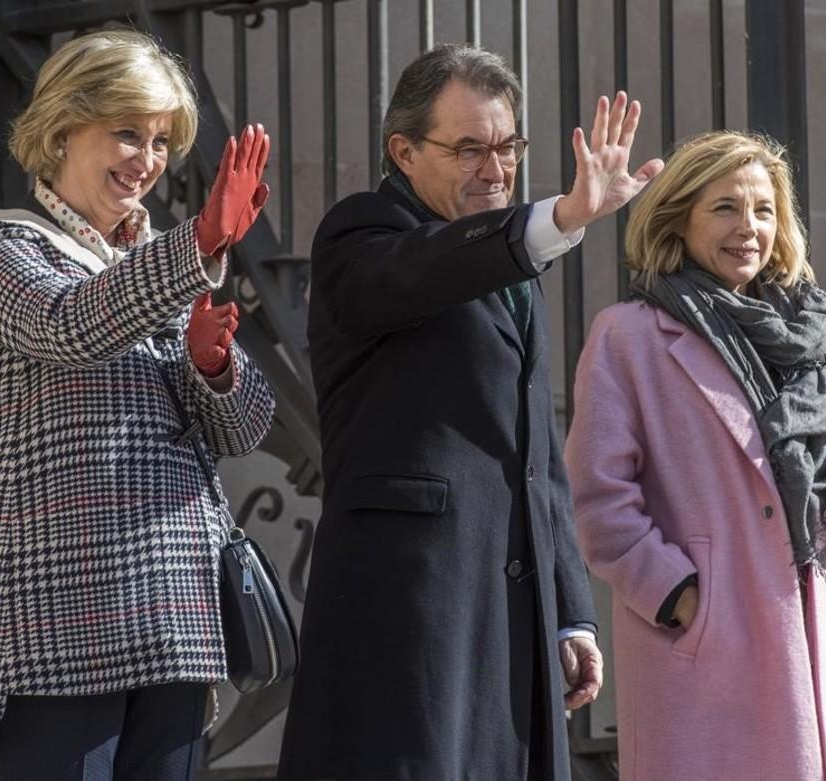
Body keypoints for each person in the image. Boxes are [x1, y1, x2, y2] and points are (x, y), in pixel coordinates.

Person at [277, 43, 663, 780]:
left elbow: (534, 449)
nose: (496, 169)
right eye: (469, 149)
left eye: (508, 145)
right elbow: (427, 266)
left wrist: (570, 605)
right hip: (409, 610)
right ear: (404, 151)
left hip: (507, 609)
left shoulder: (507, 264)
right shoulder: (362, 235)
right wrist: (560, 219)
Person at [0, 29, 276, 779]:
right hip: (53, 621)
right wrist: (200, 245)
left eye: (159, 140)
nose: (147, 159)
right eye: (126, 131)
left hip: (175, 618)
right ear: (61, 127)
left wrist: (211, 364)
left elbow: (246, 427)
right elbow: (69, 325)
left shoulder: (146, 263)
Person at [563, 130, 826, 780]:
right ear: (678, 218)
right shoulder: (629, 338)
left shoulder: (809, 343)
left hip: (820, 657)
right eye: (725, 207)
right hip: (705, 676)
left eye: (765, 209)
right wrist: (683, 597)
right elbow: (599, 499)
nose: (749, 226)